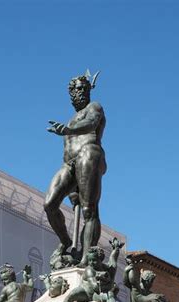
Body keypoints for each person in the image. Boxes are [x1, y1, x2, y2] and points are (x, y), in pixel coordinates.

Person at [45, 71, 106, 267]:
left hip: (89, 154)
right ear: (71, 94)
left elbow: (91, 124)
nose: (81, 92)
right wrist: (73, 189)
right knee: (50, 204)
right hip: (69, 164)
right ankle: (65, 242)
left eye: (84, 88)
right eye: (77, 89)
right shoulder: (71, 119)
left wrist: (69, 130)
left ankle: (87, 256)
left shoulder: (94, 107)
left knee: (89, 209)